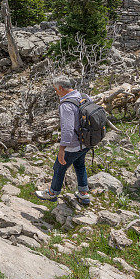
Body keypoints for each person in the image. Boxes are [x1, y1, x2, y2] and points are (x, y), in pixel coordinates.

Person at [35, 76, 91, 205]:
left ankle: (52, 193)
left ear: (61, 88)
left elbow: (67, 129)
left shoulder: (66, 105)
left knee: (59, 167)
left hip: (74, 144)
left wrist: (62, 149)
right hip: (87, 141)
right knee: (80, 165)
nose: (56, 92)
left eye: (56, 90)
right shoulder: (84, 96)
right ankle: (84, 194)